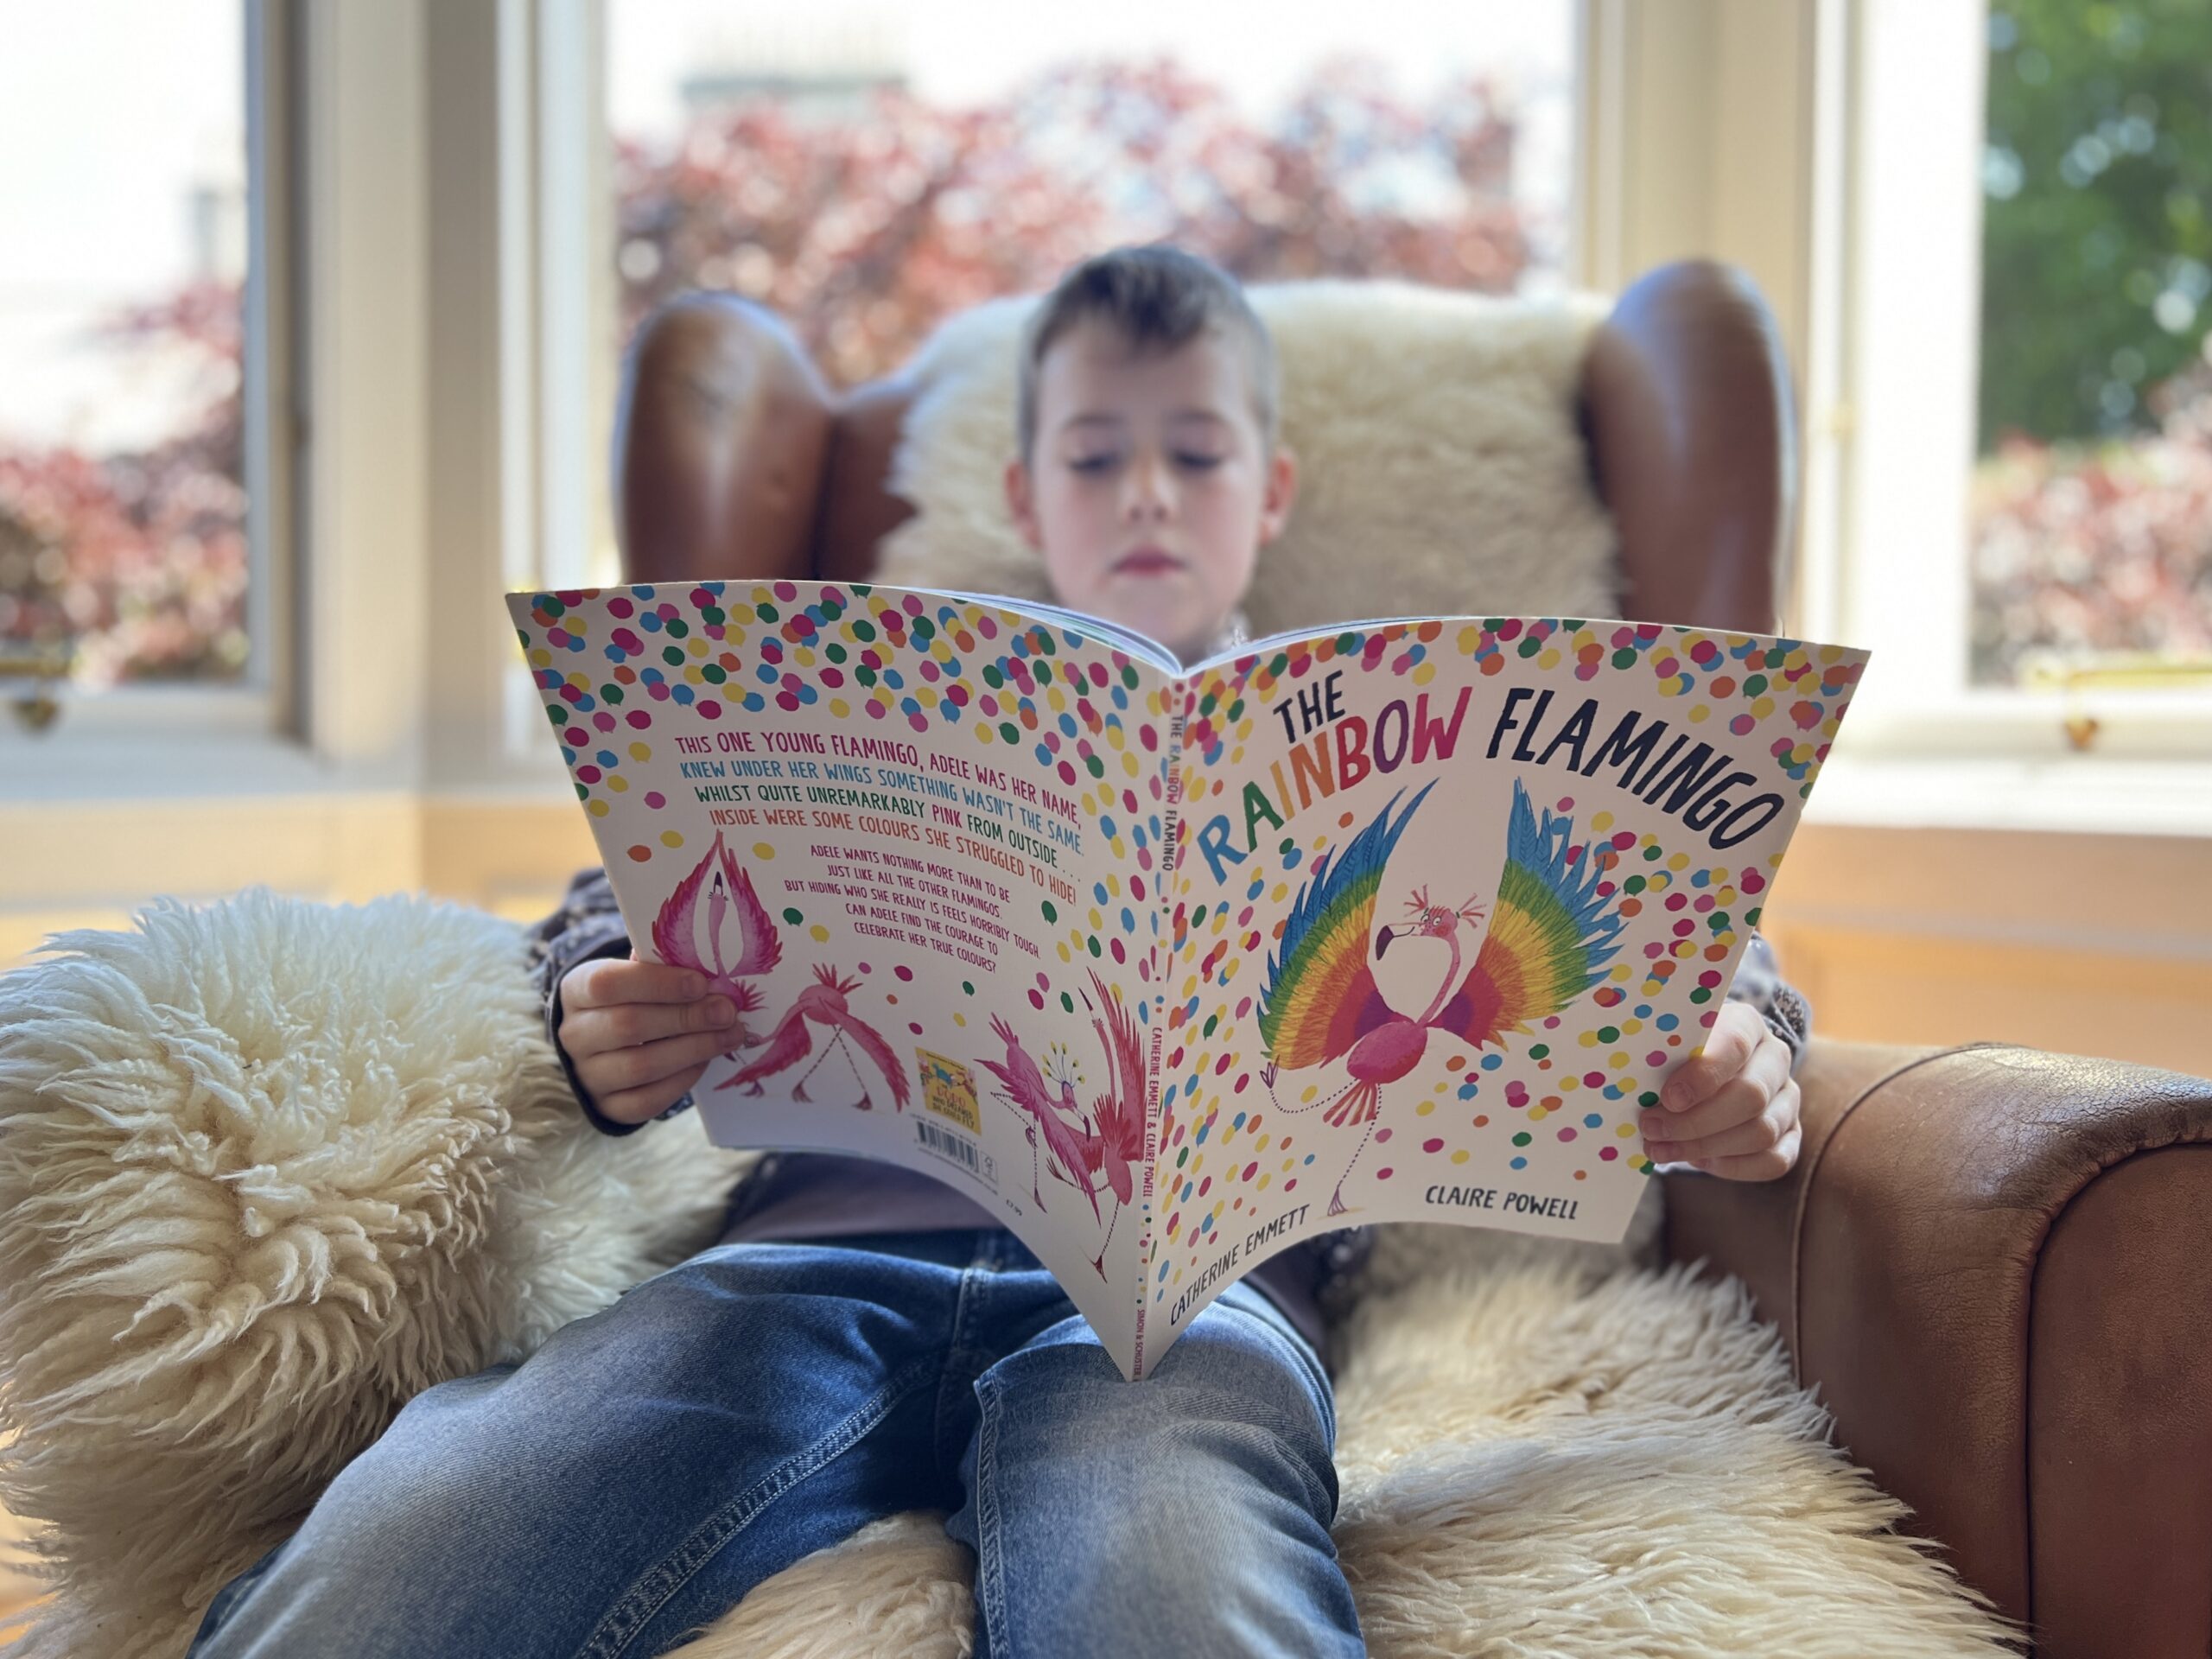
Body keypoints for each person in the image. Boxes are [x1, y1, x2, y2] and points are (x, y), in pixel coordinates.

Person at [188, 246, 1813, 1659]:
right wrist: (593, 1009)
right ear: (1028, 496)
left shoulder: (1414, 747)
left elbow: (1676, 927)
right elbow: (633, 886)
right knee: (444, 1511)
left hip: (1191, 1310)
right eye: (1098, 456)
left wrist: (1744, 1042)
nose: (1151, 493)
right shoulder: (871, 690)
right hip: (804, 1265)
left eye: (1197, 450)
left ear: (1274, 490)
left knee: (1175, 1567)